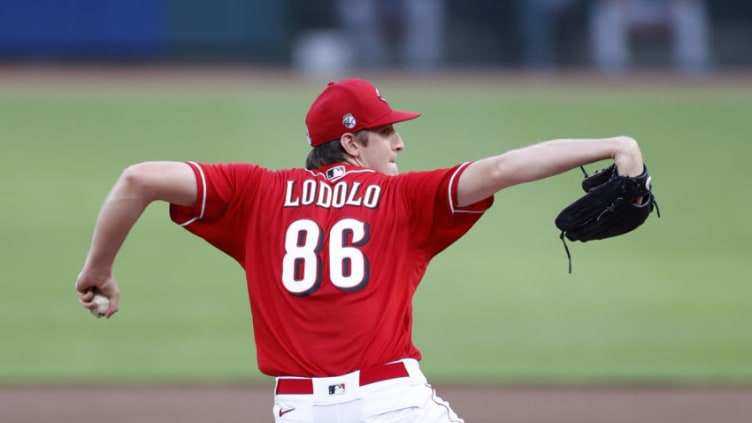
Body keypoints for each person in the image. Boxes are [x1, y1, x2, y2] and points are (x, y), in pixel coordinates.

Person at [76, 78, 646, 422]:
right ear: (350, 142)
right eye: (384, 131)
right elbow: (502, 168)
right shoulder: (404, 198)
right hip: (392, 401)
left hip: (298, 408)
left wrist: (98, 271)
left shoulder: (255, 192)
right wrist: (615, 144)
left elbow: (137, 180)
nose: (399, 140)